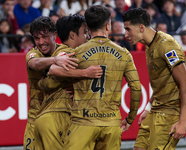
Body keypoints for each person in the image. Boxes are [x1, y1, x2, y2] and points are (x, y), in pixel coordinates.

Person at [58, 5, 141, 150]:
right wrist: (130, 118)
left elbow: (55, 76)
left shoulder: (76, 53)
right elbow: (136, 88)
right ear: (108, 25)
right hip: (111, 123)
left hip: (82, 122)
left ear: (87, 27)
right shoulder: (124, 53)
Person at [122, 8, 186, 150]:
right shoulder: (149, 45)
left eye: (128, 29)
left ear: (141, 27)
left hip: (171, 112)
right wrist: (148, 107)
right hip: (156, 109)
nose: (125, 34)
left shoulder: (167, 45)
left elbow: (185, 83)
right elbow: (162, 83)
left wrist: (182, 121)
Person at [33, 14, 103, 150]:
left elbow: (45, 82)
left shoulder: (61, 51)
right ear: (72, 35)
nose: (87, 37)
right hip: (57, 117)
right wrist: (85, 74)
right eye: (85, 33)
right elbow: (52, 71)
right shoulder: (69, 53)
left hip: (46, 117)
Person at [23, 16, 84, 150]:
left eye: (45, 37)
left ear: (54, 34)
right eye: (36, 38)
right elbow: (34, 63)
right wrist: (55, 60)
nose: (41, 42)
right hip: (34, 118)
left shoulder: (65, 51)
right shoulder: (33, 53)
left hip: (58, 118)